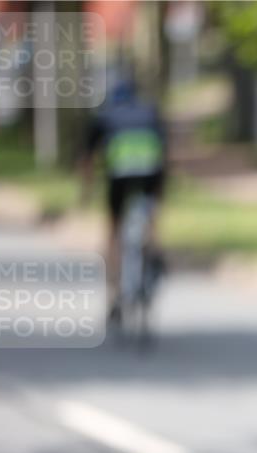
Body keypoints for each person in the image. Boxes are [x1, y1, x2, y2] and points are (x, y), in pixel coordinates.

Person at [81, 77, 167, 317]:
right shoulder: (150, 112)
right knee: (151, 212)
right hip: (151, 170)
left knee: (114, 230)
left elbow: (87, 159)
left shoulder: (105, 116)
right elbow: (163, 150)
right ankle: (155, 251)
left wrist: (86, 193)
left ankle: (116, 295)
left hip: (119, 174)